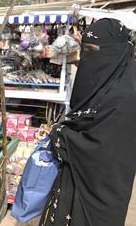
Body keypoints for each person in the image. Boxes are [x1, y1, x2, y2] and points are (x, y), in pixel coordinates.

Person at [40, 18, 136, 226]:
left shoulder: (126, 98)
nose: (87, 59)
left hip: (98, 200)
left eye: (93, 50)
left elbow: (100, 151)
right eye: (85, 51)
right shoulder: (105, 85)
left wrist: (60, 136)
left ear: (117, 52)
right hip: (74, 183)